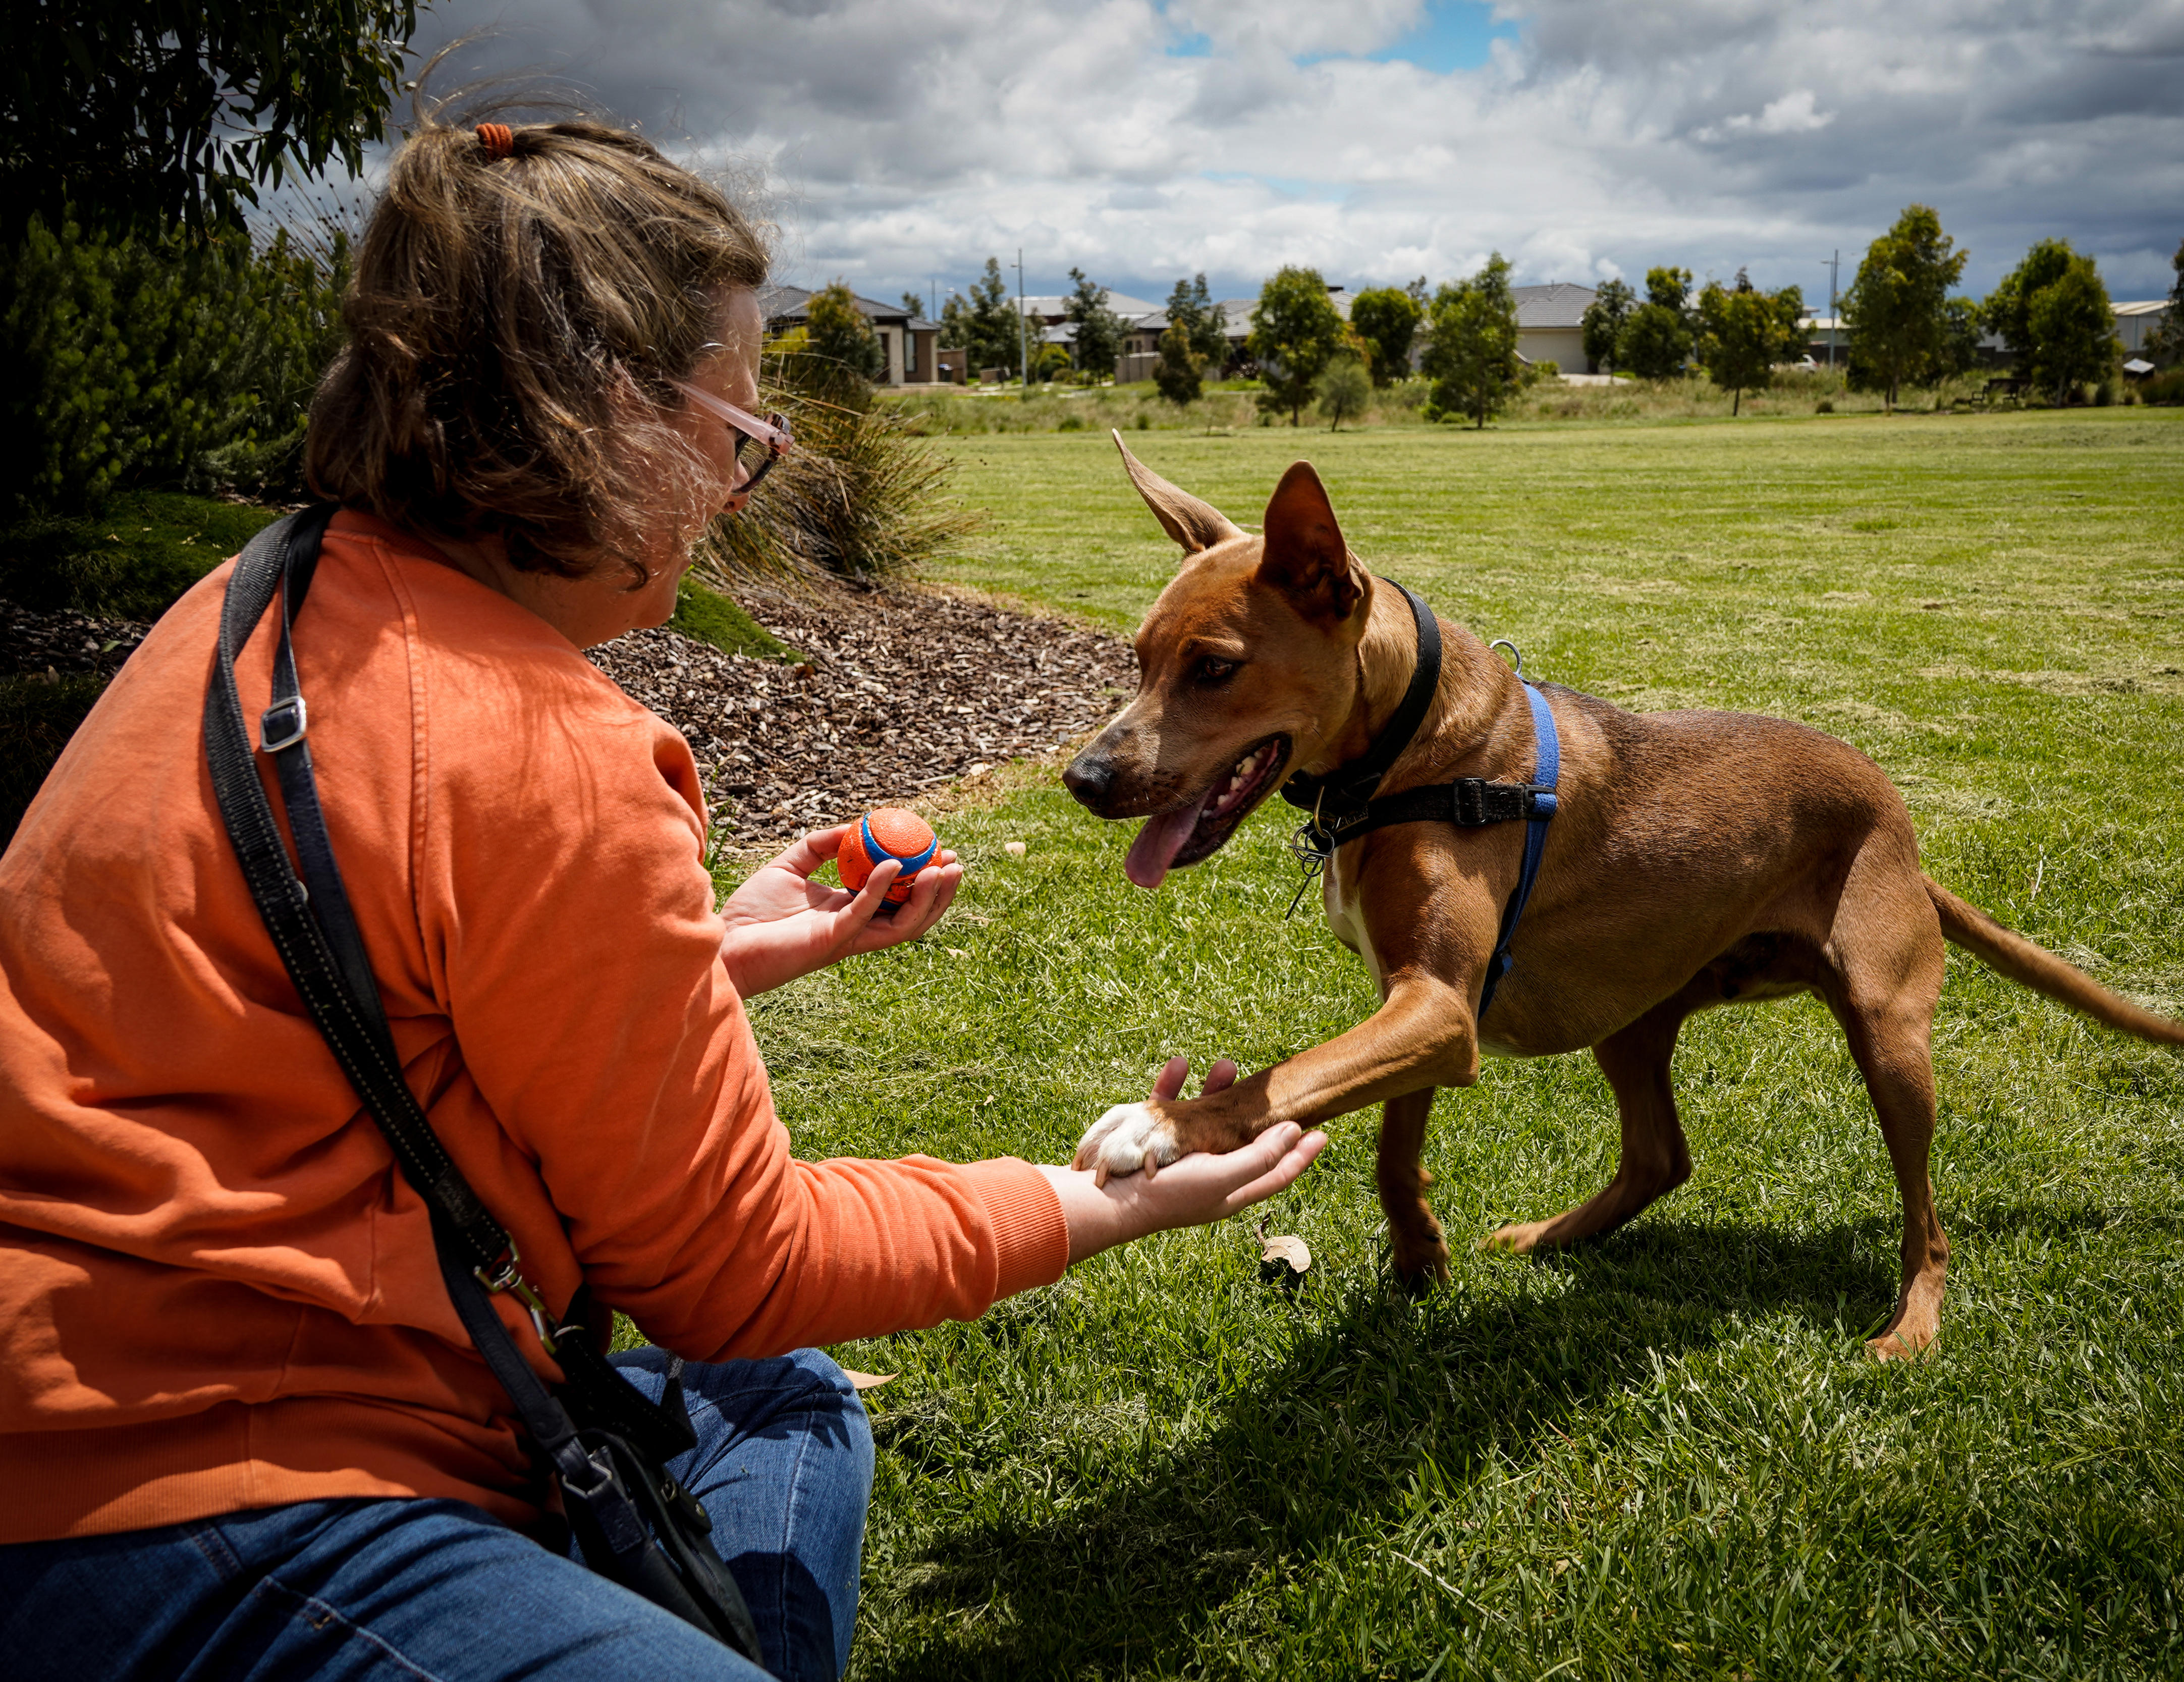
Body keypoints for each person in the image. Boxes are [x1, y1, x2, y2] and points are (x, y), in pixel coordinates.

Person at [0, 113, 1323, 1680]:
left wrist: (710, 947)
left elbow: (343, 997)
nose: (742, 488)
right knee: (767, 1360)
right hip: (224, 1497)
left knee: (785, 1401)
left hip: (60, 1393)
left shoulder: (246, 605)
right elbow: (727, 1270)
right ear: (597, 413)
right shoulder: (548, 745)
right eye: (737, 429)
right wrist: (1090, 1202)